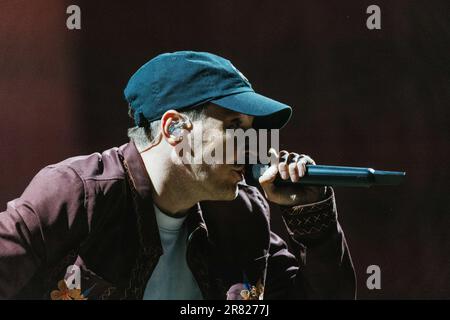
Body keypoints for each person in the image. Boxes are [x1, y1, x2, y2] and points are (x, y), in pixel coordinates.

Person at [0, 51, 355, 300]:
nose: (252, 147)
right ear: (174, 128)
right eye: (234, 126)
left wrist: (314, 222)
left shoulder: (242, 215)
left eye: (251, 131)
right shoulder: (77, 192)